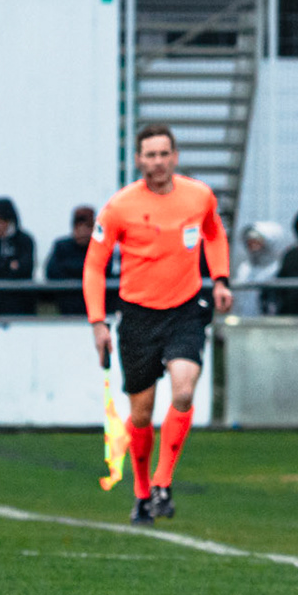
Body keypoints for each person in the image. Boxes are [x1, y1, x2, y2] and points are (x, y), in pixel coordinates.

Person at [85, 124, 233, 524]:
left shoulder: (198, 196)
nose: (157, 162)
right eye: (149, 155)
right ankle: (142, 491)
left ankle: (164, 482)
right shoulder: (120, 207)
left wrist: (220, 278)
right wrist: (98, 323)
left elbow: (215, 234)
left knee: (184, 389)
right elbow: (94, 266)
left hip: (186, 307)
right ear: (138, 160)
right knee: (141, 413)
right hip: (137, 315)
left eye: (163, 154)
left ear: (175, 157)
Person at [45, 205, 107, 316]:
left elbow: (106, 270)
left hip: (97, 310)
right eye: (78, 226)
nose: (83, 231)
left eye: (87, 226)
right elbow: (51, 272)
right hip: (67, 309)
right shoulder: (61, 246)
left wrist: (70, 269)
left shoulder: (101, 246)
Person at [231, 220, 287, 317]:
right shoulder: (244, 268)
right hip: (242, 322)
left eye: (257, 242)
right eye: (250, 242)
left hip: (265, 323)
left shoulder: (276, 269)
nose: (253, 246)